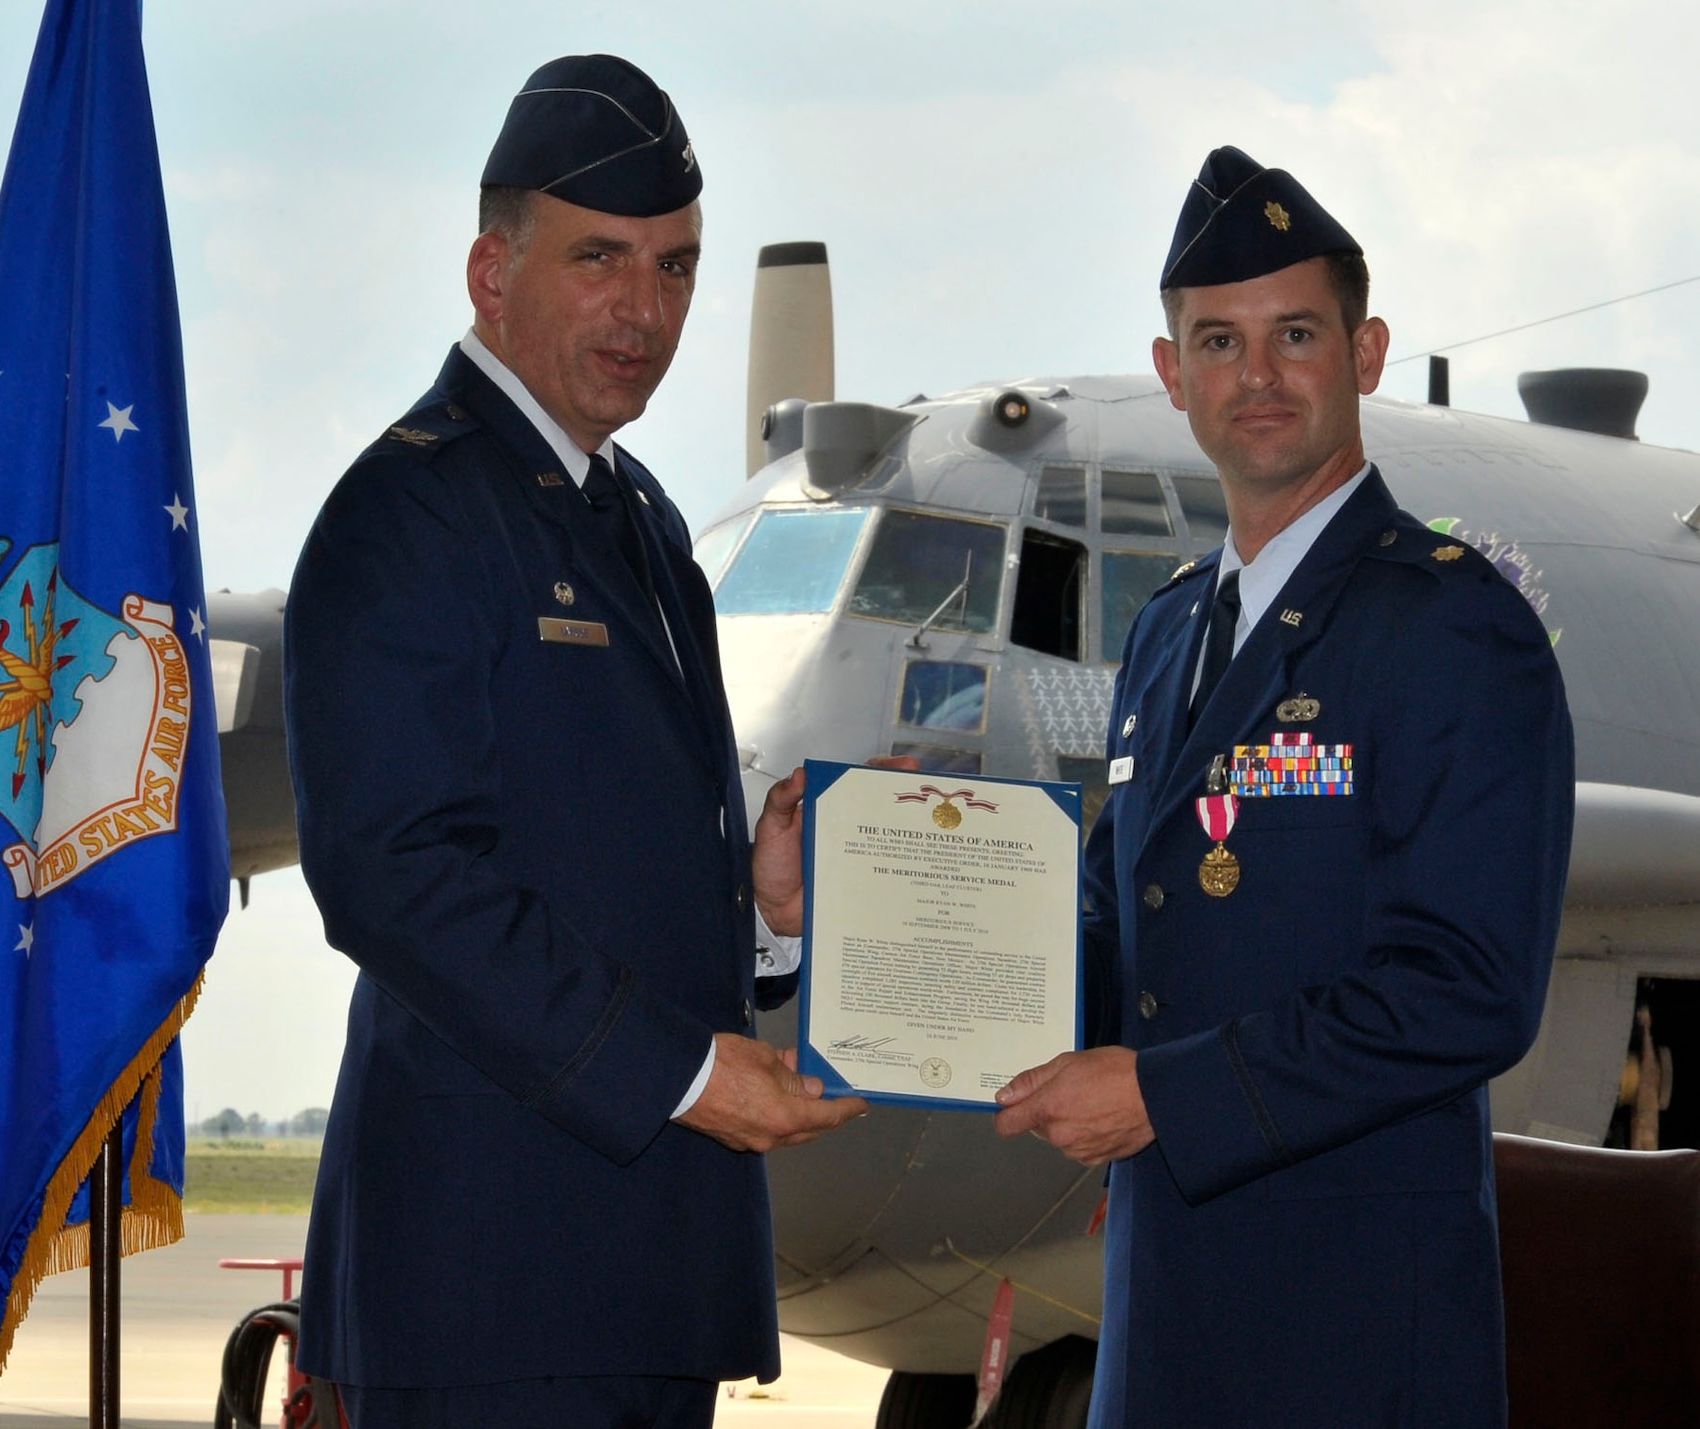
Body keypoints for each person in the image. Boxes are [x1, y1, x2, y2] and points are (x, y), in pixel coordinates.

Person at [283, 55, 864, 1429]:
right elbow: (390, 872)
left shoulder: (646, 523)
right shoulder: (410, 512)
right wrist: (685, 1071)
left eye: (675, 267)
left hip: (642, 1276)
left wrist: (762, 909)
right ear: (492, 273)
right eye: (599, 257)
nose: (644, 309)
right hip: (491, 1289)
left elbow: (606, 851)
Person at [994, 147, 1575, 1427]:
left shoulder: (1449, 624)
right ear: (1172, 374)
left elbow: (1469, 989)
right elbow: (1116, 931)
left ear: (1364, 353)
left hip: (1353, 1336)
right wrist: (862, 911)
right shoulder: (1166, 632)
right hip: (1162, 1324)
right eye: (1218, 342)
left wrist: (1164, 1094)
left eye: (1293, 335)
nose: (1254, 376)